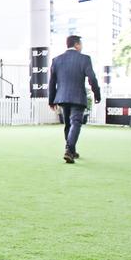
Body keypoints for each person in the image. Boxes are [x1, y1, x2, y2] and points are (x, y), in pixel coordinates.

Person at [48, 34, 101, 163]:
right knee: (76, 123)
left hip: (62, 97)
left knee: (68, 124)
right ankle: (69, 149)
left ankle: (71, 150)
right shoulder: (85, 59)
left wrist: (51, 100)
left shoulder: (57, 60)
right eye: (81, 44)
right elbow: (92, 78)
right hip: (78, 96)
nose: (81, 47)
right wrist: (97, 94)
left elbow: (52, 82)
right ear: (77, 45)